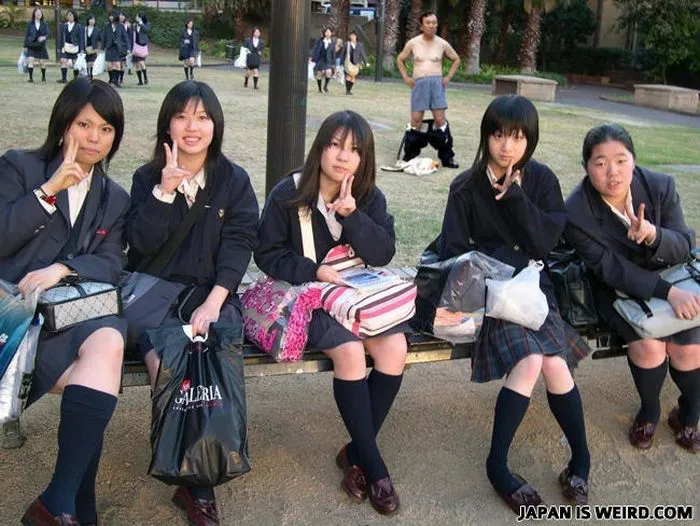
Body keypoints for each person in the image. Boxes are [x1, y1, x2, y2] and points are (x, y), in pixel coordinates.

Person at [437, 95, 592, 513]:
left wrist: (518, 198)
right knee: (531, 360)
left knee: (555, 363)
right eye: (499, 135)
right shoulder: (465, 187)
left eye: (518, 137)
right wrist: (494, 269)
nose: (507, 146)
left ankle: (581, 460)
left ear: (531, 140)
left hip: (536, 292)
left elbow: (545, 243)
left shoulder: (541, 180)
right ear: (486, 136)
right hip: (491, 296)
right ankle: (497, 465)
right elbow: (453, 251)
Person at [255, 111, 407, 516]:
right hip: (308, 299)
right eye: (335, 145)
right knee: (351, 352)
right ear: (320, 147)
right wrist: (313, 271)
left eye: (354, 150)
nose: (342, 156)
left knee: (395, 349)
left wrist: (352, 217)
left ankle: (355, 453)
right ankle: (374, 467)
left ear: (364, 158)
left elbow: (383, 253)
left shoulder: (369, 196)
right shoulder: (289, 193)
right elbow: (266, 253)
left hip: (356, 298)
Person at [124, 80, 259, 526]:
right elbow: (140, 247)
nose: (191, 127)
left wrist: (215, 302)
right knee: (170, 367)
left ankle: (199, 475)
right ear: (167, 125)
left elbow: (240, 243)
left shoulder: (233, 180)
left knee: (214, 359)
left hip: (212, 296)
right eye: (181, 116)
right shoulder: (146, 178)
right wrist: (164, 193)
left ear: (215, 125)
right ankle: (194, 483)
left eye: (202, 117)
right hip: (157, 298)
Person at [0, 78, 129, 526]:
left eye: (106, 129)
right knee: (98, 378)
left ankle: (59, 503)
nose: (95, 138)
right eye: (84, 125)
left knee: (109, 337)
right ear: (63, 126)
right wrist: (48, 191)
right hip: (13, 318)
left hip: (69, 316)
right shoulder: (20, 167)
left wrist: (64, 268)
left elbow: (112, 261)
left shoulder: (114, 196)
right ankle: (72, 505)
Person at [566, 123, 699, 452]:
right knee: (650, 347)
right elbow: (611, 269)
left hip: (673, 277)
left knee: (688, 349)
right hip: (617, 290)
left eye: (621, 160)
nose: (612, 172)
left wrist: (654, 235)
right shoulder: (577, 211)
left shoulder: (660, 186)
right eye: (600, 163)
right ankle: (649, 412)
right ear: (587, 167)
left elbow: (684, 245)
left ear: (634, 161)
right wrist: (668, 293)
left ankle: (688, 415)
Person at [396, 11, 461, 169]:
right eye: (428, 23)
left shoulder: (442, 43)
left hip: (436, 84)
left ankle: (447, 157)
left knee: (440, 120)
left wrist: (448, 77)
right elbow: (400, 59)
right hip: (419, 84)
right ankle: (410, 154)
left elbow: (456, 59)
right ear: (421, 25)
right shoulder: (413, 43)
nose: (431, 25)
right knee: (416, 121)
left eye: (434, 22)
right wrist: (406, 77)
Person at [57, 9, 84, 84]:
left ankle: (76, 79)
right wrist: (60, 47)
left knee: (75, 63)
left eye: (71, 15)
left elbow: (81, 39)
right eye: (68, 15)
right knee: (63, 60)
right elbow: (61, 37)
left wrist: (81, 49)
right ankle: (64, 78)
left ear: (74, 16)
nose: (70, 16)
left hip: (75, 47)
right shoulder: (64, 26)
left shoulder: (79, 26)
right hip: (66, 46)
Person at [103, 10, 128, 88]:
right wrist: (103, 47)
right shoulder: (107, 26)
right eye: (110, 16)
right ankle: (111, 80)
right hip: (109, 47)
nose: (111, 17)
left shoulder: (121, 26)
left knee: (117, 64)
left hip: (118, 48)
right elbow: (104, 37)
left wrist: (127, 47)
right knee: (109, 65)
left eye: (112, 16)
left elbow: (125, 37)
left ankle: (116, 81)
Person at [23, 7, 49, 83]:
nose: (38, 14)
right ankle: (30, 78)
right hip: (31, 44)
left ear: (42, 14)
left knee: (42, 62)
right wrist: (25, 46)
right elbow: (27, 35)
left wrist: (44, 37)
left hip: (41, 45)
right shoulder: (30, 24)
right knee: (30, 60)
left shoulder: (44, 24)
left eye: (40, 13)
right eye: (37, 13)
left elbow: (48, 34)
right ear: (34, 14)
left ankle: (43, 77)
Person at [340, 31, 368, 96]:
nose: (352, 37)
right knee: (348, 76)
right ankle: (347, 91)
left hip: (356, 63)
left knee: (353, 77)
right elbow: (342, 54)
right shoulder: (347, 44)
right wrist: (341, 63)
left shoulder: (360, 45)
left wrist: (366, 62)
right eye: (351, 35)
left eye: (354, 35)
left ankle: (349, 90)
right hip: (348, 62)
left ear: (356, 36)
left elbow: (363, 54)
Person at [310, 28, 335, 94]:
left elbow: (333, 53)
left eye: (329, 32)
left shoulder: (332, 42)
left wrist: (334, 63)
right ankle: (319, 89)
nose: (328, 33)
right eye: (326, 32)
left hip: (328, 60)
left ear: (331, 33)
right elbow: (315, 49)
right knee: (319, 74)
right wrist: (311, 56)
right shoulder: (320, 40)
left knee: (329, 72)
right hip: (320, 59)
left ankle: (325, 86)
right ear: (325, 33)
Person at [132, 12, 151, 86]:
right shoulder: (135, 24)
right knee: (137, 64)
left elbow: (147, 30)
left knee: (141, 62)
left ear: (140, 17)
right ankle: (140, 81)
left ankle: (145, 78)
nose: (136, 17)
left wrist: (141, 23)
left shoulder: (146, 24)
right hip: (136, 45)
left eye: (137, 16)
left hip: (142, 45)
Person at [84, 15, 102, 81]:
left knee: (91, 62)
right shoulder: (84, 29)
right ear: (88, 20)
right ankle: (87, 74)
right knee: (87, 62)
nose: (92, 21)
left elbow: (100, 39)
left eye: (93, 20)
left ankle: (91, 75)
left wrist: (98, 49)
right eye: (90, 19)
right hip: (85, 48)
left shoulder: (97, 30)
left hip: (93, 48)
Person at [118, 13, 132, 85]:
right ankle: (114, 78)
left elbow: (129, 37)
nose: (122, 17)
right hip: (116, 47)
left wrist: (129, 48)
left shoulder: (127, 26)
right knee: (115, 63)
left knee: (122, 64)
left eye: (123, 16)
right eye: (120, 15)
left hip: (123, 47)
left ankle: (121, 79)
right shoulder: (115, 24)